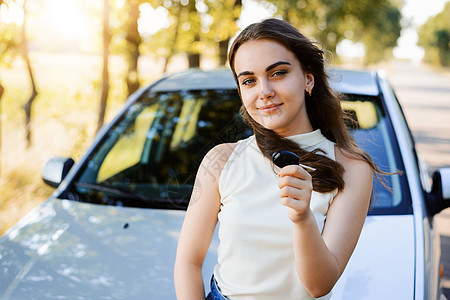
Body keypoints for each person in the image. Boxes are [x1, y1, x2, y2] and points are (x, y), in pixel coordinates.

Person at [174, 18, 378, 300]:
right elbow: (188, 261)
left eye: (278, 73)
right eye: (249, 80)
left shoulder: (352, 168)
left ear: (308, 78)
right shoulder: (220, 160)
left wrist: (302, 217)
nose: (264, 91)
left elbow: (320, 286)